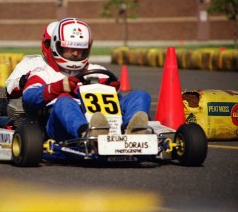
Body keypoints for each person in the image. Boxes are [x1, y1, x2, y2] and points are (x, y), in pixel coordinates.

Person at [22, 18, 151, 142]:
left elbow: (116, 103)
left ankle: (133, 131)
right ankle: (88, 134)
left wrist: (113, 92)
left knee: (140, 95)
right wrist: (57, 87)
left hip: (105, 119)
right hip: (61, 125)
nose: (75, 53)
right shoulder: (43, 72)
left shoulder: (98, 70)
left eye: (80, 49)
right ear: (56, 46)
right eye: (70, 48)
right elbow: (29, 97)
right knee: (64, 102)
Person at [5, 21, 58, 98]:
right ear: (44, 43)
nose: (55, 49)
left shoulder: (76, 69)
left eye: (58, 45)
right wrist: (23, 81)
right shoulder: (30, 64)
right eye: (51, 44)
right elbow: (9, 87)